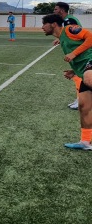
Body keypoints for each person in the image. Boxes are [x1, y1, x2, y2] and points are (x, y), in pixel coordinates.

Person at [42, 13, 92, 150]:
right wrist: (74, 72)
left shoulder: (69, 29)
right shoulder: (62, 40)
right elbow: (79, 59)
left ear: (53, 24)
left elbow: (91, 38)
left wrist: (74, 54)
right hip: (85, 68)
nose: (42, 27)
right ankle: (86, 142)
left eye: (44, 24)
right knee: (84, 106)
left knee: (88, 78)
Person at [54, 2, 82, 110]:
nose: (54, 11)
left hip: (78, 51)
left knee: (79, 76)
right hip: (77, 51)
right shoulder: (67, 20)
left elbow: (76, 35)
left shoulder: (69, 21)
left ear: (61, 10)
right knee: (79, 75)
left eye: (56, 9)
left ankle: (81, 100)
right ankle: (80, 99)